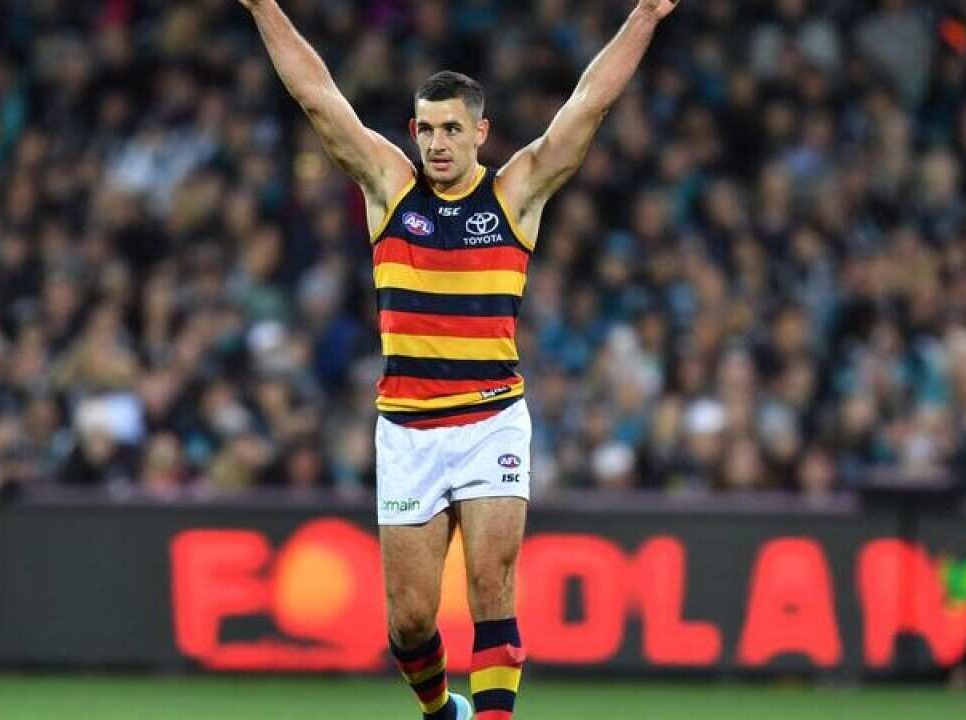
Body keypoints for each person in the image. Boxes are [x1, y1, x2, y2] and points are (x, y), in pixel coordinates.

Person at [237, 1, 684, 717]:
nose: (437, 143)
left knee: (491, 586)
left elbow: (590, 104)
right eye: (426, 129)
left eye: (452, 129)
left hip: (491, 420)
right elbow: (316, 96)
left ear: (481, 132)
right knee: (410, 620)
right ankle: (443, 711)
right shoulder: (391, 187)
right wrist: (263, 7)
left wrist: (646, 15)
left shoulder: (516, 192)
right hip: (407, 428)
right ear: (412, 131)